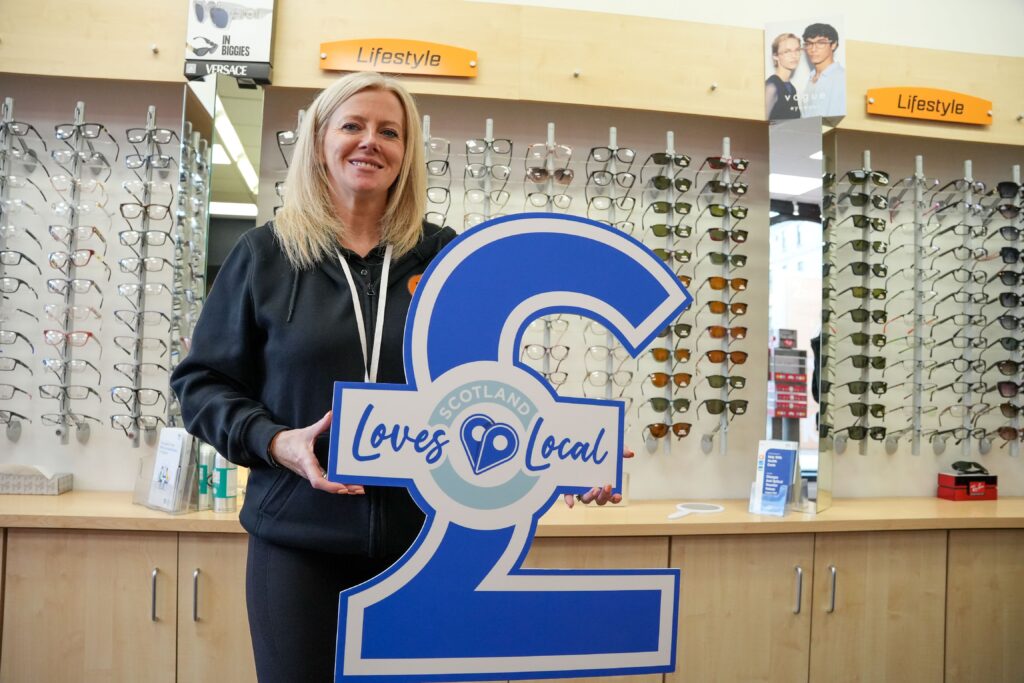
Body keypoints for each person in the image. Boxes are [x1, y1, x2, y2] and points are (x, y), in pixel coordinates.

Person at [170, 71, 625, 683]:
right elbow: (201, 384)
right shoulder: (265, 255)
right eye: (352, 125)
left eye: (390, 131)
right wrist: (276, 441)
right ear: (319, 140)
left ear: (407, 155)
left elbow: (492, 390)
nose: (370, 142)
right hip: (299, 543)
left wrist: (566, 454)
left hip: (429, 549)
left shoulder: (447, 259)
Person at [801, 22, 846, 118]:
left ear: (833, 45)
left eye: (820, 43)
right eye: (809, 43)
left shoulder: (842, 78)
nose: (813, 49)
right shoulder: (811, 79)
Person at [765, 32, 802, 120]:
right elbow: (760, 127)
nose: (794, 55)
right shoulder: (771, 86)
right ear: (775, 56)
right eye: (787, 51)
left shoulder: (792, 89)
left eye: (797, 50)